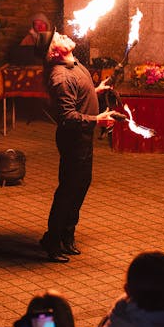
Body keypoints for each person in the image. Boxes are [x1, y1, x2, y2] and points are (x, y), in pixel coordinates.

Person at [35, 29, 125, 263]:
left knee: (80, 187)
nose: (63, 36)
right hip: (74, 140)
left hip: (83, 139)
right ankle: (52, 242)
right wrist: (98, 119)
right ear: (55, 52)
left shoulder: (74, 64)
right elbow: (68, 116)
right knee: (67, 192)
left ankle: (66, 236)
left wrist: (96, 91)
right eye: (58, 38)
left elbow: (77, 96)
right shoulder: (61, 77)